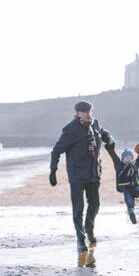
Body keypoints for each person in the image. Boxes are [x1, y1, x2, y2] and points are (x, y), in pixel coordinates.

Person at [49, 101, 113, 252]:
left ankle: (89, 228)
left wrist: (110, 138)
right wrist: (53, 170)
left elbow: (104, 133)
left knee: (95, 204)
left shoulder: (95, 124)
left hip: (94, 173)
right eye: (84, 112)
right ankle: (80, 238)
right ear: (77, 113)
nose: (87, 114)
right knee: (78, 208)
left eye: (89, 111)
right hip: (77, 174)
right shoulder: (71, 129)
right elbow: (56, 150)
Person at [104, 141, 139, 224]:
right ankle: (131, 212)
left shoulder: (134, 165)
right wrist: (110, 149)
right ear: (122, 159)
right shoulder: (119, 165)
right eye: (126, 158)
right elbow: (114, 157)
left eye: (130, 158)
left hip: (135, 187)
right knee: (129, 201)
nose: (128, 160)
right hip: (126, 188)